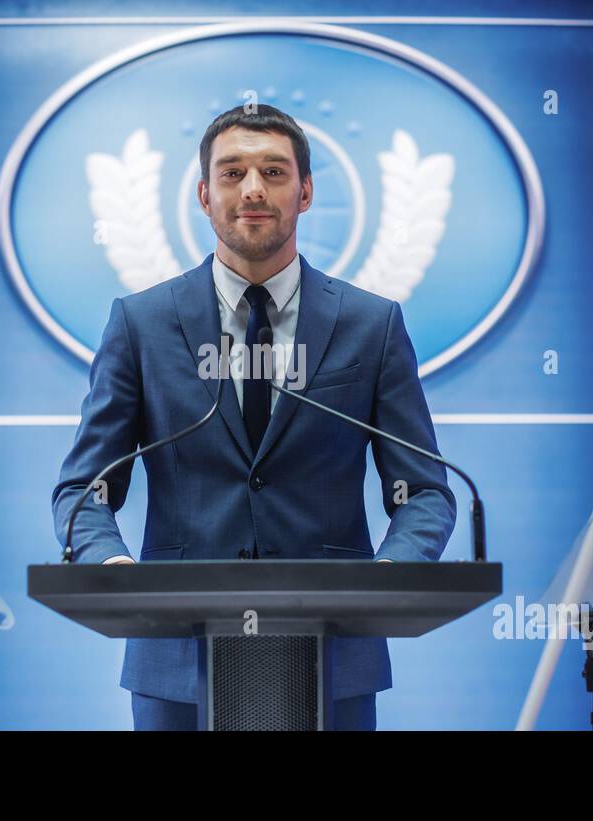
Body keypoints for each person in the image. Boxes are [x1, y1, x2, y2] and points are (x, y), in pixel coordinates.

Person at [52, 104, 455, 730]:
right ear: (204, 194)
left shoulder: (372, 325)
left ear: (307, 191)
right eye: (233, 172)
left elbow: (425, 490)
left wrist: (387, 574)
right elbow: (84, 488)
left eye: (274, 171)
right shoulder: (142, 323)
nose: (253, 189)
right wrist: (112, 568)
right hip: (177, 660)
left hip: (334, 656)